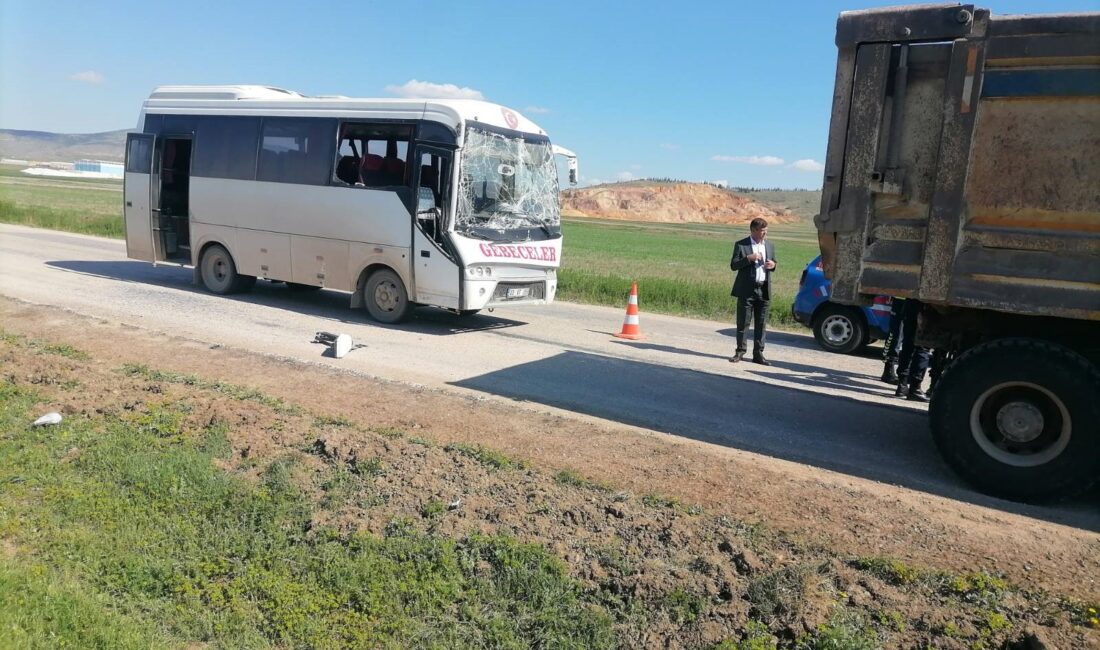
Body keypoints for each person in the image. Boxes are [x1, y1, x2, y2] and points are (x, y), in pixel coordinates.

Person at [729, 218, 776, 365]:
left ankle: (758, 354)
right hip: (746, 290)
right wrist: (748, 258)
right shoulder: (741, 245)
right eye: (763, 231)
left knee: (761, 324)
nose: (765, 234)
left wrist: (773, 265)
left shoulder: (769, 245)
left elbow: (774, 262)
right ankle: (740, 352)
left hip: (763, 289)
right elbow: (734, 265)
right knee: (743, 323)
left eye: (766, 231)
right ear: (754, 230)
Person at [894, 298, 931, 402]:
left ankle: (902, 385)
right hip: (925, 307)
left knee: (907, 346)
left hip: (910, 304)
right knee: (922, 347)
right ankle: (915, 388)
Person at [880, 297, 906, 384]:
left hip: (910, 299)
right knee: (895, 335)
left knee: (902, 336)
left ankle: (902, 372)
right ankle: (888, 368)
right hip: (901, 298)